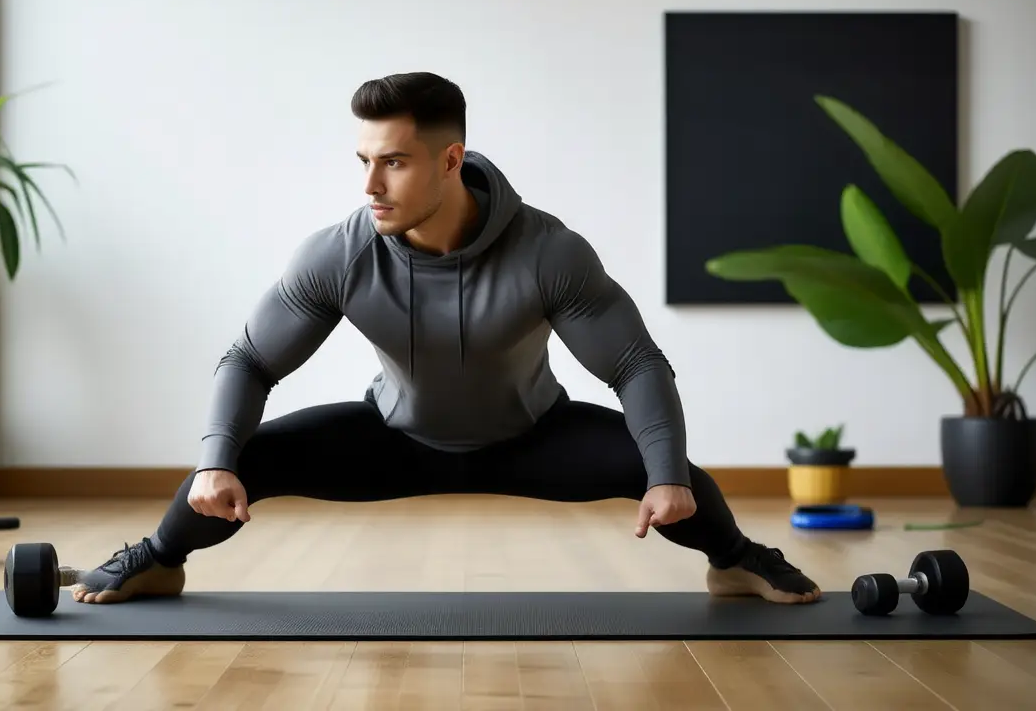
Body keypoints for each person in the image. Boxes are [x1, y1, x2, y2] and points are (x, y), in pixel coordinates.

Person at [68, 72, 821, 606]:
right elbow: (250, 360)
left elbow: (634, 363)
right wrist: (213, 461)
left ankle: (734, 561)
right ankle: (159, 559)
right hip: (393, 437)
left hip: (534, 437)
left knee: (676, 475)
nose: (370, 187)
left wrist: (663, 477)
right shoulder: (339, 253)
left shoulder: (548, 252)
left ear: (451, 160)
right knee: (240, 461)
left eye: (393, 163)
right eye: (364, 161)